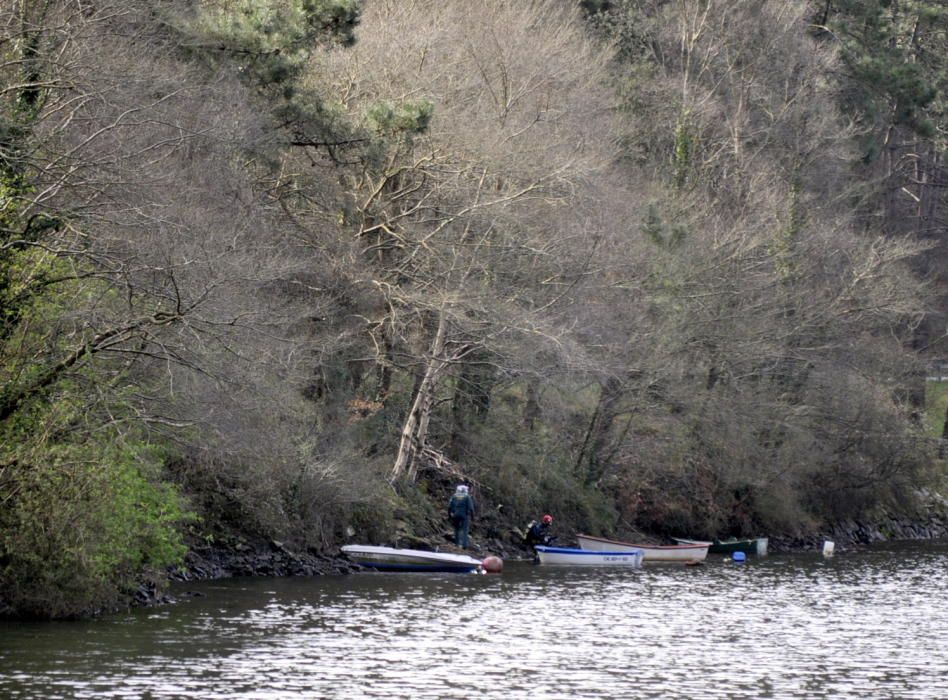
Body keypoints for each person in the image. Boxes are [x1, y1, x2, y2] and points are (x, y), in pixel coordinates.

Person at [447, 484, 476, 549]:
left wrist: (449, 516)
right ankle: (464, 545)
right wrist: (473, 517)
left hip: (455, 515)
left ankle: (457, 544)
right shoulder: (467, 497)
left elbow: (449, 507)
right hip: (464, 516)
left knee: (456, 529)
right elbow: (471, 508)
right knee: (465, 530)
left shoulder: (454, 496)